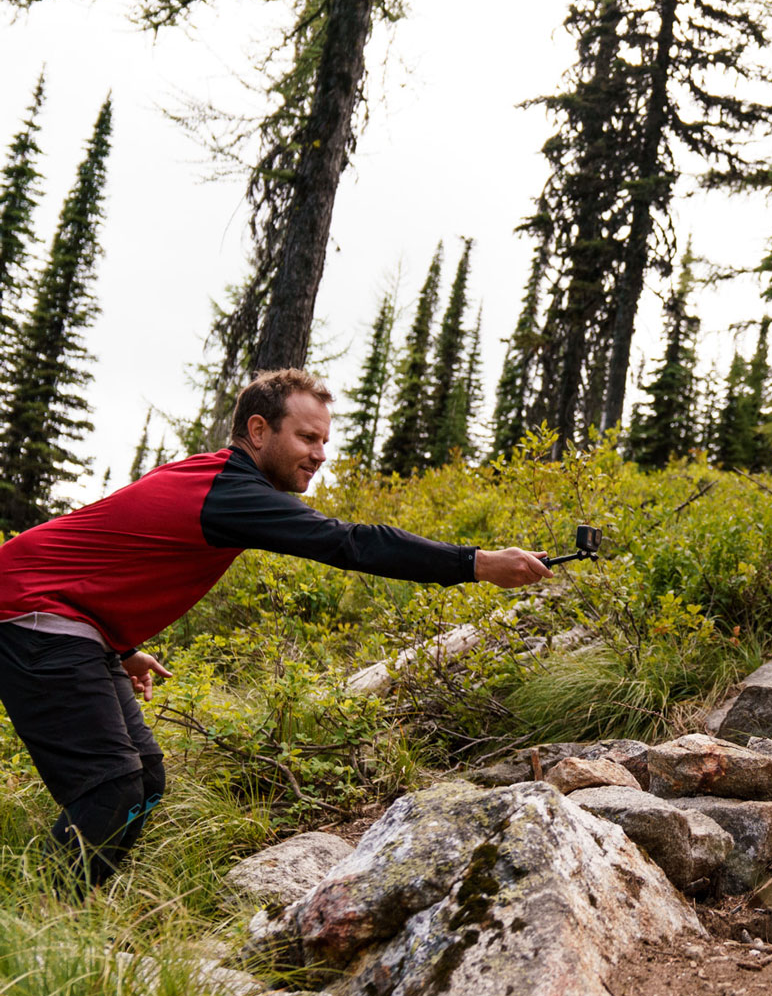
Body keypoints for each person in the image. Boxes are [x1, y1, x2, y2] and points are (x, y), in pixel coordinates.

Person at [0, 368, 553, 891]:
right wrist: (475, 562)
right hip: (31, 614)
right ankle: (31, 931)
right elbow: (349, 542)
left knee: (142, 779)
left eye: (324, 442)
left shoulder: (218, 482)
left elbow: (115, 553)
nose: (320, 454)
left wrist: (120, 646)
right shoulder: (229, 490)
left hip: (65, 622)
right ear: (259, 431)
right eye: (308, 438)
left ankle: (67, 910)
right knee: (111, 788)